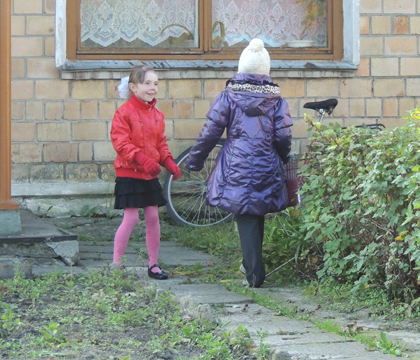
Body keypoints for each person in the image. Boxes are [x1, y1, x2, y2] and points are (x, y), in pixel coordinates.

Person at [184, 38, 293, 287]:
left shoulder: (228, 97)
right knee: (255, 212)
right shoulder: (277, 101)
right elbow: (283, 136)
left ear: (241, 68)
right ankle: (251, 265)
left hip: (236, 165)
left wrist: (195, 160)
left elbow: (210, 132)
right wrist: (283, 158)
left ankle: (254, 275)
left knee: (246, 213)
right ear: (266, 71)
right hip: (266, 162)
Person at [110, 65, 181, 279]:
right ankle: (117, 264)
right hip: (129, 173)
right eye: (147, 83)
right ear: (133, 87)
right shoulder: (124, 113)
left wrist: (168, 162)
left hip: (149, 175)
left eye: (156, 83)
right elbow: (121, 143)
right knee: (131, 218)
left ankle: (153, 264)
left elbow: (160, 144)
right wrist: (141, 159)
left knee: (153, 216)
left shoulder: (158, 115)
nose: (153, 87)